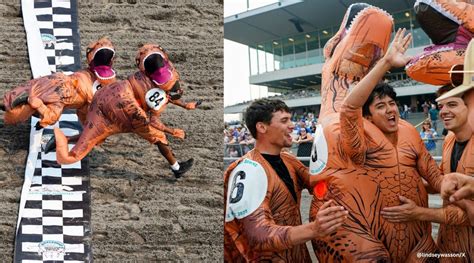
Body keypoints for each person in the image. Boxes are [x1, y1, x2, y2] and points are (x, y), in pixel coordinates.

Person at [334, 28, 444, 262]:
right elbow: (349, 108)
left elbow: (434, 176)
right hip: (377, 237)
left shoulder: (409, 132)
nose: (390, 109)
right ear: (369, 117)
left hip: (419, 236)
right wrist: (385, 62)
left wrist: (453, 185)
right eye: (380, 106)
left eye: (392, 103)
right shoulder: (359, 138)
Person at [224, 99, 348, 262]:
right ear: (262, 127)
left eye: (290, 119)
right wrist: (314, 229)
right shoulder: (248, 170)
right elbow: (257, 236)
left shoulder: (289, 160)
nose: (292, 125)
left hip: (297, 255)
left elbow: (320, 183)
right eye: (284, 120)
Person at [53, 44, 198, 178]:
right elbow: (155, 118)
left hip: (108, 93)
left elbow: (168, 96)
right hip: (127, 107)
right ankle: (176, 167)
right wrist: (171, 131)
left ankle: (66, 139)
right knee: (159, 137)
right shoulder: (159, 95)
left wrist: (185, 105)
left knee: (95, 132)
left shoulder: (142, 76)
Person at [381, 85, 474, 262]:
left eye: (452, 104)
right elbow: (441, 183)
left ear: (471, 107)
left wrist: (418, 213)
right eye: (441, 106)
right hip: (449, 247)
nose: (443, 112)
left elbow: (471, 215)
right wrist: (408, 185)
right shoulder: (449, 140)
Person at [1, 37, 117, 129]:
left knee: (33, 85)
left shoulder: (89, 73)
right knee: (50, 116)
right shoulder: (107, 86)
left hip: (60, 79)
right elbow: (87, 110)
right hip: (67, 94)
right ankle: (35, 104)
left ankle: (8, 100)